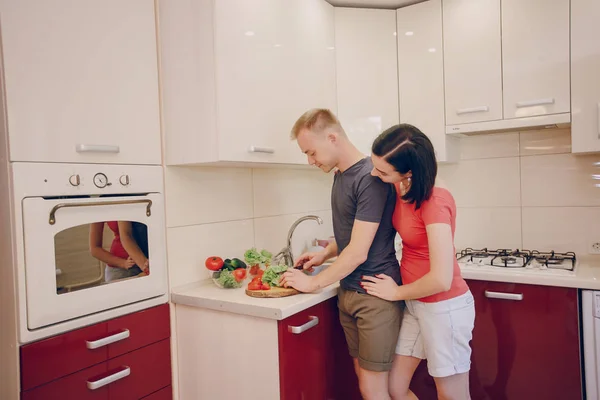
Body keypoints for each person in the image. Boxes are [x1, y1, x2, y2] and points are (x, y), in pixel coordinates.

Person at [280, 108, 403, 400]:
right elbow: (353, 233)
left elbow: (359, 252)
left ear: (332, 137)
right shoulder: (340, 176)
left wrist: (312, 283)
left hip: (374, 295)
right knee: (366, 381)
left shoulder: (370, 178)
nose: (310, 161)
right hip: (350, 292)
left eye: (311, 152)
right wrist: (326, 254)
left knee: (375, 390)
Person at [362, 123, 475, 400]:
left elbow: (441, 278)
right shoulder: (402, 187)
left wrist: (395, 292)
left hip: (444, 308)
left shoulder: (434, 198)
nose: (374, 174)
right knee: (395, 389)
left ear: (409, 171)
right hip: (416, 304)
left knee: (451, 395)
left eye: (382, 171)